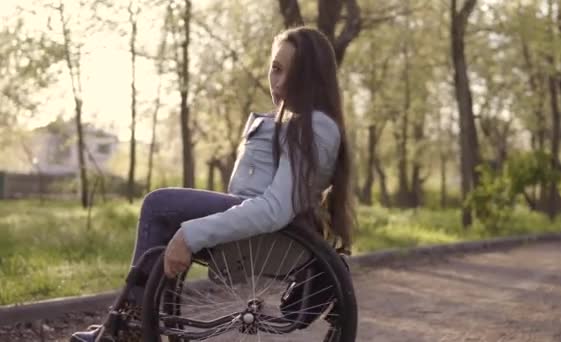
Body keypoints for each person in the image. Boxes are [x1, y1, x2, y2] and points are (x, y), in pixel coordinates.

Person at [70, 26, 355, 342]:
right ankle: (130, 321)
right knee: (166, 214)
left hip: (271, 235)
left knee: (159, 205)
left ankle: (131, 326)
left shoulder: (316, 126)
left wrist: (191, 235)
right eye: (275, 68)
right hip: (267, 230)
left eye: (292, 73)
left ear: (314, 78)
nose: (279, 81)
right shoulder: (308, 123)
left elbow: (276, 209)